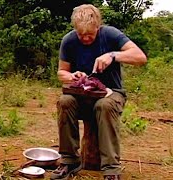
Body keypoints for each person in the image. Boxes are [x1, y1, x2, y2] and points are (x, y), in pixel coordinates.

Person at [50, 4, 147, 180]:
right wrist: (72, 76)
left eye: (90, 35)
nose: (86, 38)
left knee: (105, 104)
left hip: (112, 94)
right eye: (81, 35)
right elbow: (61, 72)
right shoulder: (69, 40)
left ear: (98, 27)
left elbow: (140, 57)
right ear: (75, 30)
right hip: (82, 95)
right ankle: (69, 160)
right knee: (65, 101)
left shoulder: (110, 34)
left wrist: (113, 55)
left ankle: (111, 169)